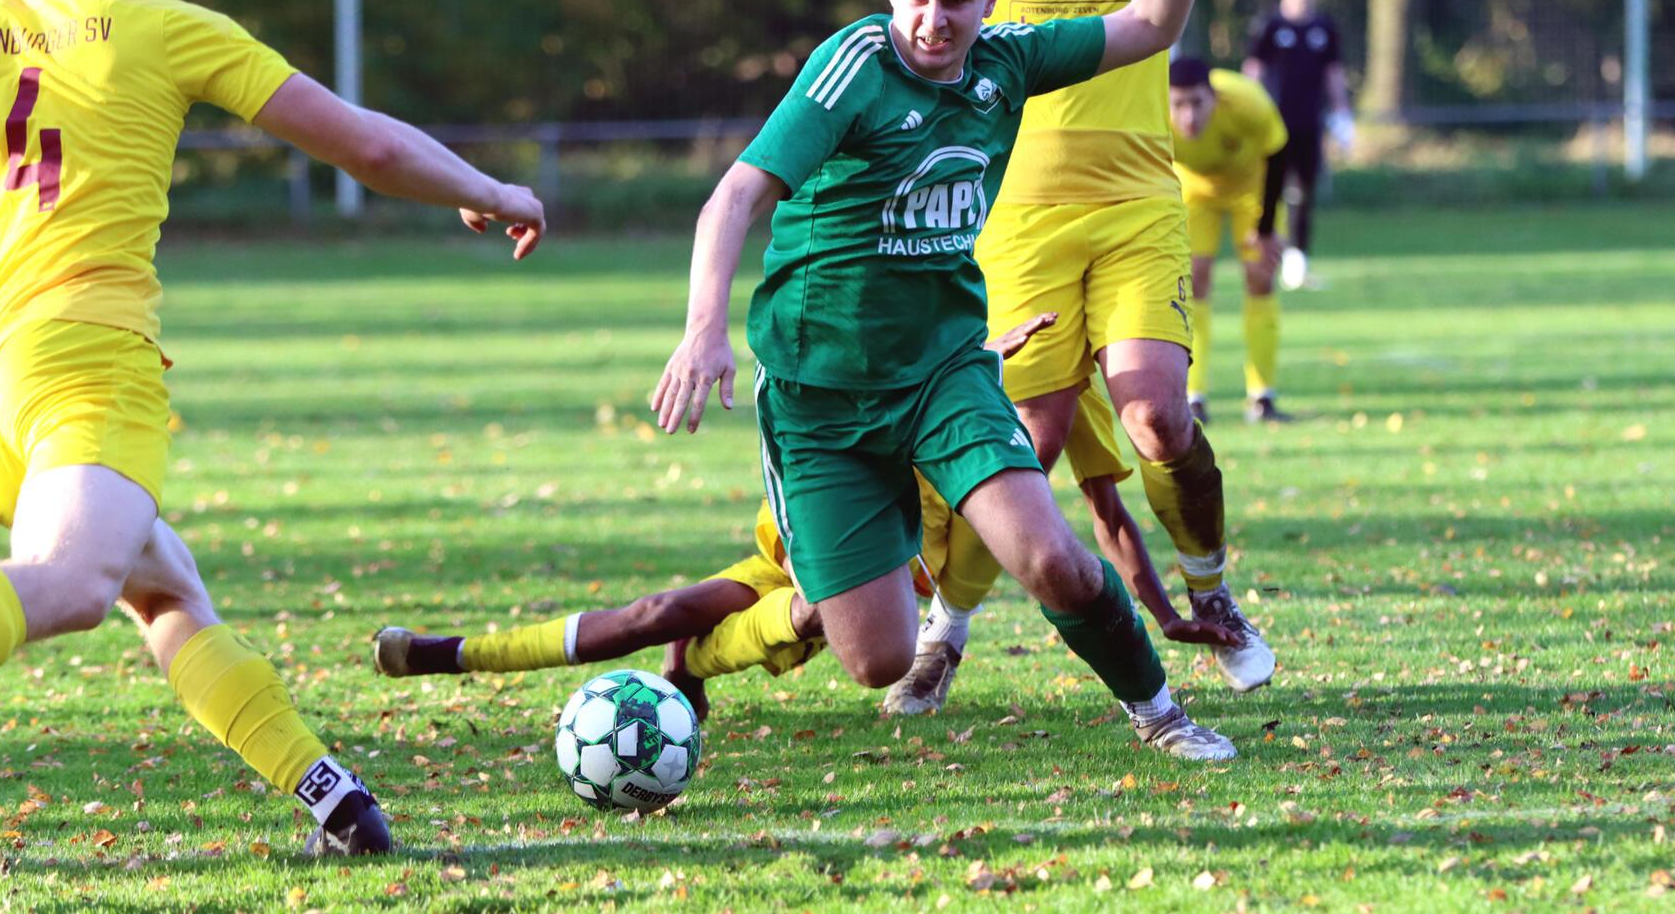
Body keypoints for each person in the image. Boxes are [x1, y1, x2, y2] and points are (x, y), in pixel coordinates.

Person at [0, 0, 545, 856]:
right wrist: (493, 190)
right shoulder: (161, 29)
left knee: (166, 592)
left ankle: (336, 801)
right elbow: (372, 146)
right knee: (75, 584)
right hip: (89, 370)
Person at [813, 0, 1478, 705]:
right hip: (1016, 218)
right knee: (1021, 442)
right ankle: (949, 628)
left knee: (1159, 418)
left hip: (1137, 209)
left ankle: (1212, 587)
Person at [651, 0, 1244, 760]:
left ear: (991, 0)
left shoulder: (1007, 64)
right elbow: (736, 196)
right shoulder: (851, 69)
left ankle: (1159, 711)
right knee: (877, 658)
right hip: (822, 398)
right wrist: (702, 333)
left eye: (956, 0)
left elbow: (1150, 25)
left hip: (942, 374)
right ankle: (697, 652)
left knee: (1049, 556)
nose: (933, 20)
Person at [374, 322, 1237, 760]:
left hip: (855, 594)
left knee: (759, 621)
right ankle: (446, 654)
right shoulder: (944, 353)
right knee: (659, 612)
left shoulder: (1065, 397)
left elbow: (1103, 519)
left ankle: (688, 669)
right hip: (793, 547)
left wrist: (1164, 613)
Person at [1167, 57, 1290, 424]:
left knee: (1260, 276)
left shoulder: (1246, 101)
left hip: (1250, 189)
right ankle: (1193, 396)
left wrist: (1266, 229)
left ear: (1214, 97)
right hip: (1195, 193)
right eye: (1179, 105)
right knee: (1193, 281)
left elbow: (1280, 153)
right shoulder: (1150, 111)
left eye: (1197, 103)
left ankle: (1262, 396)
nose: (1189, 116)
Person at [1244, 0, 1351, 291]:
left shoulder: (1324, 28)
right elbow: (1253, 72)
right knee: (1268, 191)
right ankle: (1263, 254)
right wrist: (1249, 111)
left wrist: (1342, 114)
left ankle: (1297, 264)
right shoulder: (1269, 26)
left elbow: (1334, 74)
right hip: (1273, 127)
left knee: (1303, 193)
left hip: (1309, 124)